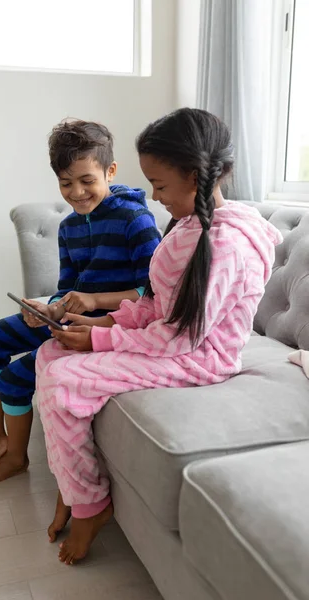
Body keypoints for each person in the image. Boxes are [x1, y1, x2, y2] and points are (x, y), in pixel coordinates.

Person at [34, 108, 283, 565]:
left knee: (64, 380)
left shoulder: (225, 245)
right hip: (170, 340)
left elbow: (180, 338)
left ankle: (88, 502)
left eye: (161, 186)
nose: (153, 195)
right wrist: (104, 323)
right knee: (50, 351)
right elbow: (158, 305)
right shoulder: (189, 224)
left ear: (195, 176)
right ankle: (71, 480)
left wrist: (99, 342)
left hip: (199, 358)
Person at [0, 119, 161, 490]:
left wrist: (96, 300)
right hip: (70, 318)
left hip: (109, 326)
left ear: (110, 171)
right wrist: (50, 308)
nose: (78, 192)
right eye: (66, 183)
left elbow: (154, 291)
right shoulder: (69, 227)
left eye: (87, 180)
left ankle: (17, 457)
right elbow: (67, 286)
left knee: (15, 377)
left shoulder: (135, 220)